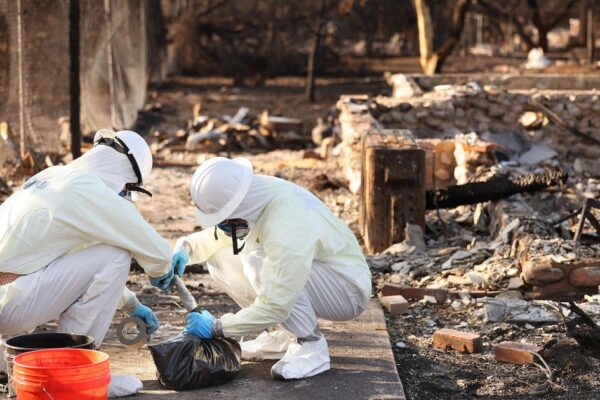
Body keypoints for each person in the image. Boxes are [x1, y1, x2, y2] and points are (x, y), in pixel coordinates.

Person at [168, 157, 371, 380]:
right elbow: (221, 239)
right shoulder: (253, 197)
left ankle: (311, 345)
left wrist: (218, 327)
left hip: (346, 289)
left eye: (225, 221)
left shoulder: (288, 220)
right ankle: (280, 335)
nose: (223, 227)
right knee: (219, 257)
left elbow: (277, 302)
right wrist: (186, 248)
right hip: (317, 274)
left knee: (256, 262)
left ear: (236, 207)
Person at [0, 129, 176, 351]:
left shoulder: (53, 176)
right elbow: (150, 247)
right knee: (117, 255)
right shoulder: (86, 190)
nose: (124, 194)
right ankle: (74, 363)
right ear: (125, 176)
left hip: (6, 295)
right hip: (8, 304)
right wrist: (163, 267)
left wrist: (130, 304)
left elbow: (81, 263)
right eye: (127, 189)